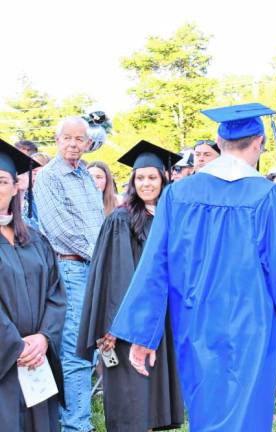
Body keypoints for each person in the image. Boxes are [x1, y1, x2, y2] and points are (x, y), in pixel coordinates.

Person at [109, 103, 276, 431]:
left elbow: (155, 265)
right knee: (247, 412)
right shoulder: (269, 197)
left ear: (219, 141)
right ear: (259, 142)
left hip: (195, 321)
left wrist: (142, 334)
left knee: (206, 409)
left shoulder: (178, 194)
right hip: (253, 324)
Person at [77, 141, 184, 431]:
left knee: (152, 393)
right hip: (128, 321)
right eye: (140, 178)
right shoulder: (121, 220)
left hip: (162, 318)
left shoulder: (171, 217)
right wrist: (114, 327)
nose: (146, 183)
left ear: (164, 178)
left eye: (152, 177)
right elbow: (115, 277)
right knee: (133, 394)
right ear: (132, 181)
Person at [33, 116, 104, 431]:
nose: (74, 144)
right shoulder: (48, 177)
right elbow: (61, 230)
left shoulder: (86, 176)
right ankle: (76, 426)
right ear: (57, 139)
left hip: (93, 268)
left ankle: (77, 419)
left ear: (88, 142)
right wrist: (101, 256)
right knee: (75, 351)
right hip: (71, 268)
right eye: (68, 138)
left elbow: (98, 224)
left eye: (80, 139)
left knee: (91, 350)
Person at [0, 139, 66, 431]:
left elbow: (56, 293)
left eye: (1, 181)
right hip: (6, 361)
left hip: (37, 359)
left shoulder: (35, 239)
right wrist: (16, 345)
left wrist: (43, 338)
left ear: (16, 186)